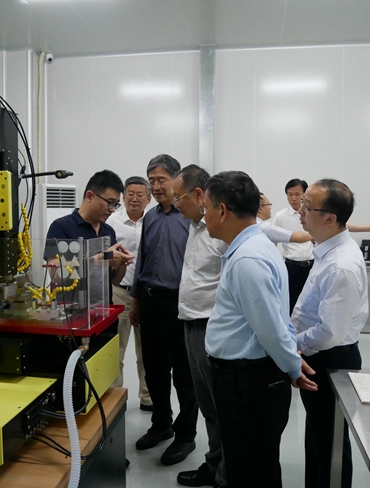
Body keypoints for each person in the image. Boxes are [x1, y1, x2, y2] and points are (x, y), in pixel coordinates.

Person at [203, 170, 317, 488]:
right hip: (247, 379)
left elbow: (271, 329)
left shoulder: (248, 259)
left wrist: (292, 366)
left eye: (205, 208)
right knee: (256, 463)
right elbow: (277, 319)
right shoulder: (255, 246)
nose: (203, 216)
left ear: (222, 211)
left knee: (250, 469)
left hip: (247, 382)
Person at [292, 179, 368, 488]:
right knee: (317, 437)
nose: (300, 211)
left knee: (331, 445)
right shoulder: (327, 250)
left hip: (329, 360)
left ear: (330, 218)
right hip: (319, 356)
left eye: (307, 206)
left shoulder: (341, 265)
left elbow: (328, 332)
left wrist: (291, 344)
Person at [129, 154, 198, 466]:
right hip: (149, 300)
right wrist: (136, 301)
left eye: (161, 180)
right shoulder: (150, 217)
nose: (155, 186)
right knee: (154, 370)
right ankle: (161, 425)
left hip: (179, 305)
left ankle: (186, 436)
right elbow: (141, 261)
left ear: (176, 180)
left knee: (184, 374)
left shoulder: (191, 218)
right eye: (151, 180)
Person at [172, 165, 228, 488]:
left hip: (212, 327)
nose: (175, 204)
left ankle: (226, 475)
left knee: (221, 406)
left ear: (197, 194)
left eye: (178, 197)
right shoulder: (194, 226)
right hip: (190, 324)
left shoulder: (220, 230)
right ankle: (214, 463)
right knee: (207, 404)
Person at [107, 176, 153, 411]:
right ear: (123, 197)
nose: (135, 199)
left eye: (140, 195)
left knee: (148, 350)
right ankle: (116, 399)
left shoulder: (154, 221)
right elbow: (104, 255)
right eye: (130, 195)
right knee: (117, 349)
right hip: (120, 292)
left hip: (147, 295)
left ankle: (148, 397)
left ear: (149, 198)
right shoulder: (112, 222)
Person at [44, 169, 133, 285]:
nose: (112, 209)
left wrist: (122, 263)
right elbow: (55, 274)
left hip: (103, 297)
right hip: (72, 297)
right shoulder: (61, 227)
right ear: (90, 196)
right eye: (110, 203)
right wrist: (98, 259)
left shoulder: (108, 231)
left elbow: (114, 281)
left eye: (115, 205)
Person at [272, 179, 315, 313]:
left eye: (297, 194)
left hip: (312, 266)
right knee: (290, 304)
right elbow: (273, 243)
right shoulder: (280, 216)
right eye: (289, 195)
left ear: (305, 194)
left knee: (311, 304)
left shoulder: (313, 214)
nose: (293, 198)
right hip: (291, 267)